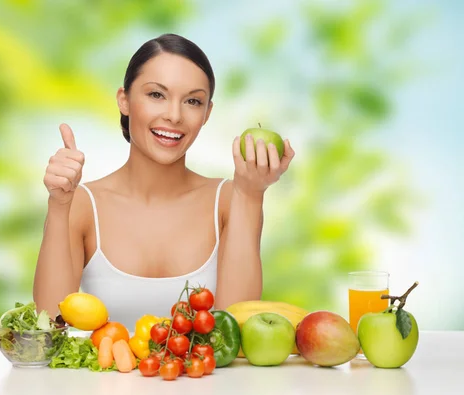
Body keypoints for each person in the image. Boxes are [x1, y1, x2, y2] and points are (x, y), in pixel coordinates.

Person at [33, 33, 295, 329]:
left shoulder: (229, 200)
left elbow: (234, 327)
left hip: (203, 376)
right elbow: (48, 325)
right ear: (125, 100)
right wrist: (58, 204)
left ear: (207, 113)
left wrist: (250, 194)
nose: (174, 115)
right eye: (156, 95)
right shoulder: (81, 204)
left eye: (193, 101)